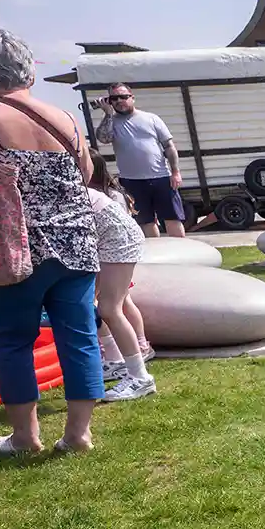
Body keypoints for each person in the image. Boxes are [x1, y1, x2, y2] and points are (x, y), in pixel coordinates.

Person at [0, 28, 102, 457]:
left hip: (12, 249)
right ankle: (77, 435)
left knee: (10, 339)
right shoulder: (66, 118)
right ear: (29, 70)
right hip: (76, 243)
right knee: (79, 335)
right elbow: (86, 174)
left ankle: (24, 438)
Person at [87, 153, 156, 402]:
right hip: (107, 239)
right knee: (93, 304)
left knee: (110, 308)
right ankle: (116, 361)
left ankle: (140, 377)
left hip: (117, 241)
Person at [95, 82, 186, 238]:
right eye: (114, 98)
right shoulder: (111, 121)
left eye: (123, 97)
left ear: (132, 98)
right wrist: (108, 114)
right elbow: (103, 138)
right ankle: (158, 259)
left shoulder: (151, 118)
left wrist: (175, 172)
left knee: (172, 218)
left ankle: (185, 258)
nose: (119, 101)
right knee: (145, 222)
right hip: (131, 181)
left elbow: (169, 146)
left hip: (161, 178)